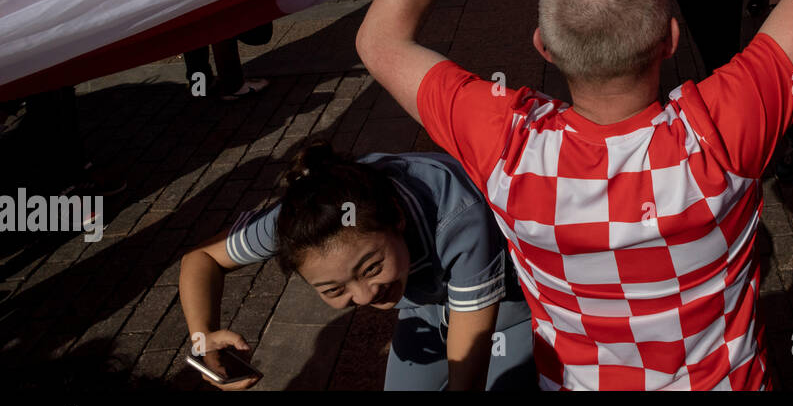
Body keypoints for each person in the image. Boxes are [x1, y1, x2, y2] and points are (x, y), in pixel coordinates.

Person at [356, 0, 793, 390]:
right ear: (671, 41)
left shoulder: (506, 144)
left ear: (543, 48)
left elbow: (379, 42)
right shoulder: (722, 127)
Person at [179, 139, 535, 390]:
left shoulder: (456, 215)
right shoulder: (300, 222)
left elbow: (467, 374)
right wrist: (202, 336)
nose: (364, 297)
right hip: (426, 301)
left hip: (509, 303)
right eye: (334, 289)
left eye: (371, 268)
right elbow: (201, 258)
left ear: (397, 217)